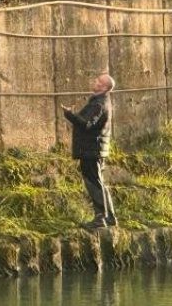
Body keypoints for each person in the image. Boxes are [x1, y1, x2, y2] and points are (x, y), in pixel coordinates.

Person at [62, 73, 117, 230]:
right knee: (98, 182)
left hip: (92, 150)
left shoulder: (99, 104)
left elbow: (87, 125)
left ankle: (100, 218)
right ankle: (109, 217)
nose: (95, 81)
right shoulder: (99, 102)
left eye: (99, 81)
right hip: (94, 149)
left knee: (93, 183)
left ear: (104, 88)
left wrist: (69, 115)